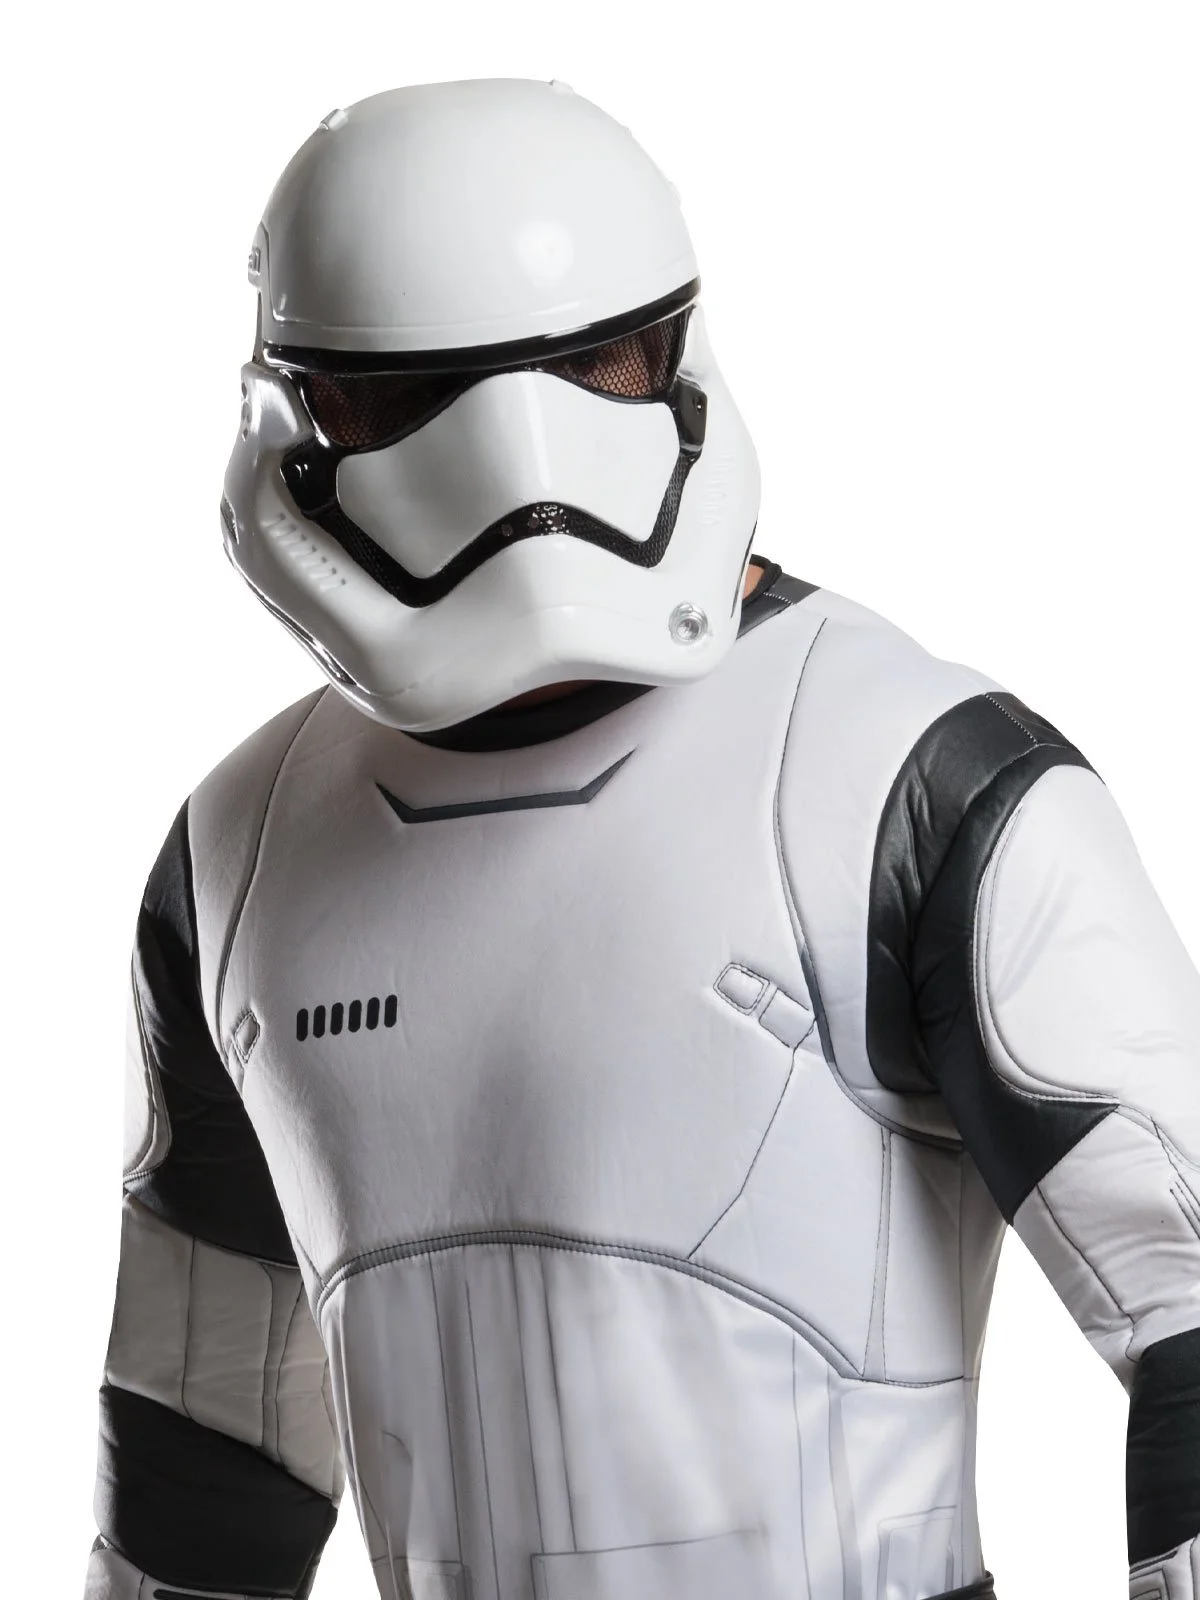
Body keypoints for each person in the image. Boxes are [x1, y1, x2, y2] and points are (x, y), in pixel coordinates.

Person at [82, 79, 1200, 1600]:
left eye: (584, 369)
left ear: (668, 353)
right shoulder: (239, 852)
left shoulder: (904, 777)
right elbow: (203, 1449)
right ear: (310, 412)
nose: (516, 462)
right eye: (418, 398)